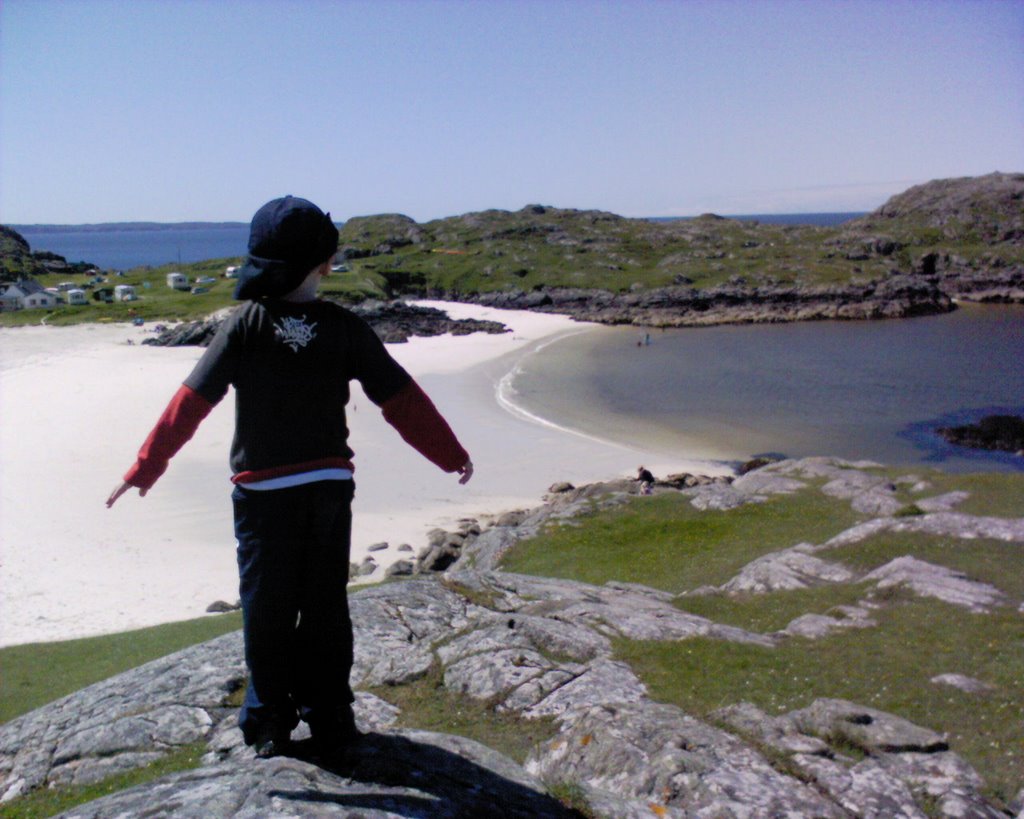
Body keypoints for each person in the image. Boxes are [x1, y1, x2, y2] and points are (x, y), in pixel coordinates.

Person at [107, 196, 473, 760]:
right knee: (325, 605)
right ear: (325, 264)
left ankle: (269, 722)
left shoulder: (245, 325)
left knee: (266, 607)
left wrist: (145, 468)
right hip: (328, 490)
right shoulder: (345, 327)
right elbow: (401, 400)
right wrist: (450, 455)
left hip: (261, 496)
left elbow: (190, 403)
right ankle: (330, 716)